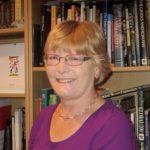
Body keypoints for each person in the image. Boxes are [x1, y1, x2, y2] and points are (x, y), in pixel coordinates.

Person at [29, 20, 139, 150]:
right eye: (53, 57)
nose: (61, 69)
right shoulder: (43, 118)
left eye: (74, 58)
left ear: (97, 67)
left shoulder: (114, 126)